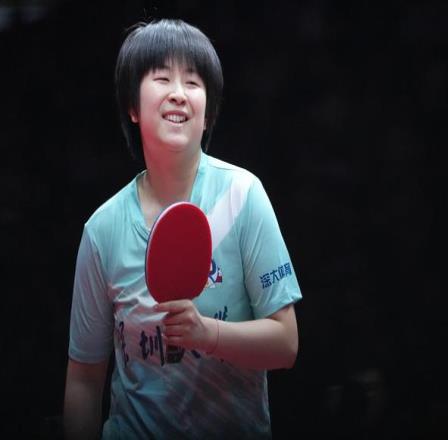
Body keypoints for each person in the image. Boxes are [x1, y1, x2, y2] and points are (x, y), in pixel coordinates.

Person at [63, 18, 302, 439]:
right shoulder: (102, 230)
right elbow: (84, 378)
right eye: (161, 78)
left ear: (207, 114)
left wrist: (207, 334)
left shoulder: (242, 196)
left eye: (192, 82)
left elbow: (285, 344)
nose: (178, 92)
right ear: (132, 107)